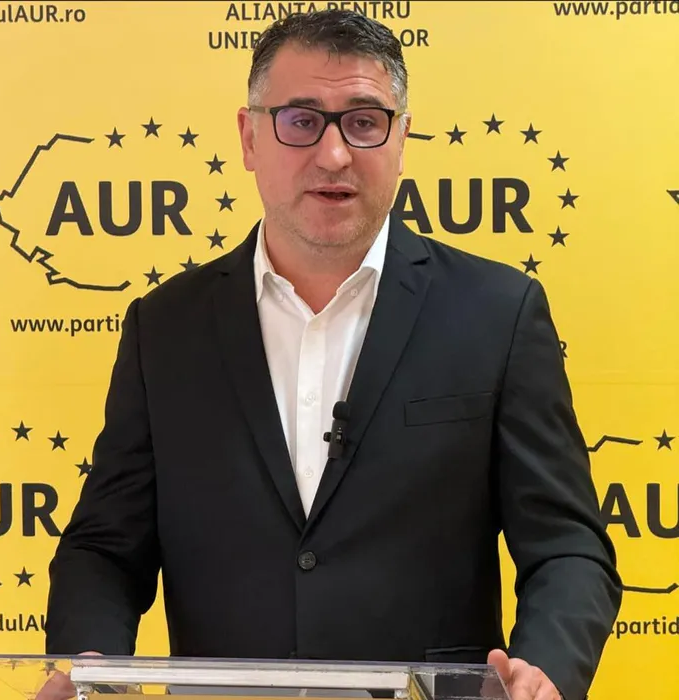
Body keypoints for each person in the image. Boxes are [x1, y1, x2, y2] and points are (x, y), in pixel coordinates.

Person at [40, 9, 622, 700]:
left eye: (365, 122)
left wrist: (545, 668)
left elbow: (567, 547)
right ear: (250, 137)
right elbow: (105, 549)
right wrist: (91, 669)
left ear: (401, 139)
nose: (335, 154)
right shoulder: (164, 327)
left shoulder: (498, 313)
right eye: (301, 120)